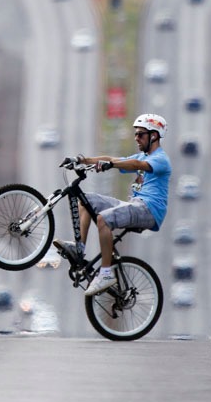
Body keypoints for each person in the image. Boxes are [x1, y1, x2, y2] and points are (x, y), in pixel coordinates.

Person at [53, 113, 172, 296]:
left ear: (154, 135)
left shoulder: (160, 159)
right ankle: (79, 250)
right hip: (135, 204)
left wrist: (112, 165)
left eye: (140, 134)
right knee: (87, 200)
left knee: (103, 219)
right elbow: (114, 159)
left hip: (148, 210)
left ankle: (106, 274)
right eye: (135, 134)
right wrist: (81, 161)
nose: (136, 138)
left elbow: (134, 164)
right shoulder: (142, 155)